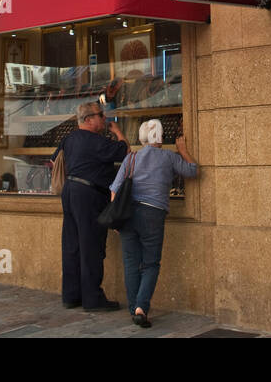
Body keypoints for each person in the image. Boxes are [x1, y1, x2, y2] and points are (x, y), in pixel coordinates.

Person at [110, 119, 198, 328]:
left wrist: (116, 219)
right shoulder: (168, 156)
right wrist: (183, 150)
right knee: (150, 263)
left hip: (128, 214)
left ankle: (134, 309)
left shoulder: (131, 158)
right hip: (153, 213)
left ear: (141, 137)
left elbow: (114, 190)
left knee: (131, 263)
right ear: (160, 137)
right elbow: (193, 171)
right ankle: (141, 307)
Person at [58, 100, 129, 311]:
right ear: (89, 120)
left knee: (72, 246)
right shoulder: (95, 141)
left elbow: (55, 161)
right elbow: (125, 151)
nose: (104, 118)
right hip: (88, 194)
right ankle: (92, 299)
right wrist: (118, 131)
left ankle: (71, 295)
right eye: (101, 115)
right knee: (91, 247)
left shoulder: (69, 138)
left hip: (70, 190)